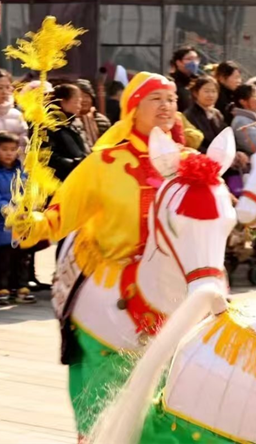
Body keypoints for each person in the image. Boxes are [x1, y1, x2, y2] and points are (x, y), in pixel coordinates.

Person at [15, 73, 179, 437]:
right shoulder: (104, 164)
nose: (167, 106)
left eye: (172, 99)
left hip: (170, 296)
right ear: (133, 109)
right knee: (103, 396)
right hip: (109, 292)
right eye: (157, 99)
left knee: (165, 399)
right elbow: (59, 216)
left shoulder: (188, 163)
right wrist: (31, 221)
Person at [0, 131, 31, 305]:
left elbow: (26, 192)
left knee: (22, 256)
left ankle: (21, 286)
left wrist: (27, 207)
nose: (9, 153)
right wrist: (6, 208)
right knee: (4, 257)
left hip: (19, 221)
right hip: (2, 222)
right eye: (4, 149)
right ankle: (3, 287)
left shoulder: (21, 171)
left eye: (13, 149)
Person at [47, 84, 88, 182]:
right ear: (63, 102)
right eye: (76, 102)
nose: (79, 106)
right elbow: (47, 156)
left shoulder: (72, 124)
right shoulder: (47, 125)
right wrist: (72, 163)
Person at [74, 79, 111, 150]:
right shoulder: (68, 121)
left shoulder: (102, 120)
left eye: (87, 96)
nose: (84, 100)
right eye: (80, 96)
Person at [0, 70, 27, 152]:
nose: (4, 92)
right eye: (0, 88)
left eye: (7, 87)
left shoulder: (17, 115)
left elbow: (23, 144)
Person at [170, 45, 201, 113]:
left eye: (196, 59)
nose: (194, 62)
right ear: (178, 62)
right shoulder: (171, 82)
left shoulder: (199, 81)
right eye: (189, 59)